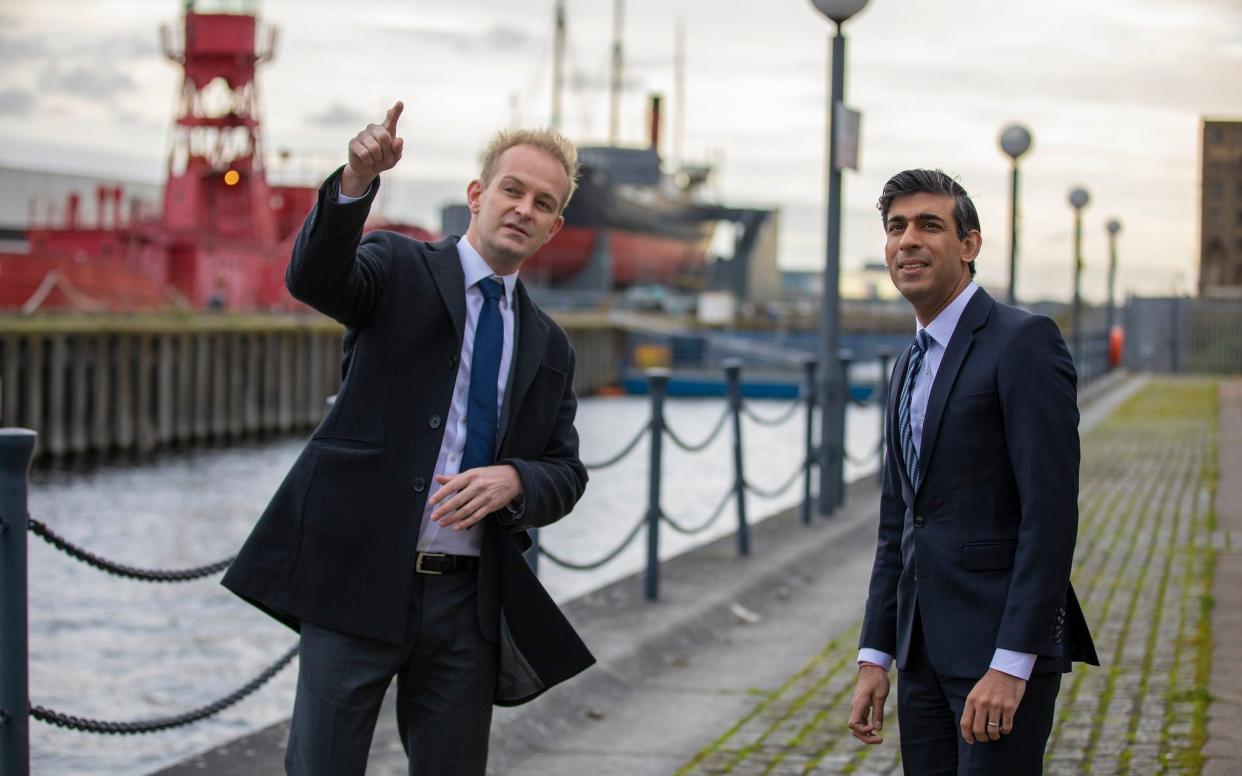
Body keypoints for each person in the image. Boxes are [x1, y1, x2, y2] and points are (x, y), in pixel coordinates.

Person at [222, 101, 594, 775]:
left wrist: (517, 479)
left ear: (553, 226)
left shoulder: (549, 345)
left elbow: (566, 471)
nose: (523, 208)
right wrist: (357, 182)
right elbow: (314, 278)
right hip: (357, 579)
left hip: (466, 601)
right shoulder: (397, 268)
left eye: (542, 202)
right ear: (478, 195)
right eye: (512, 190)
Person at [847, 169, 1099, 773]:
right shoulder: (907, 362)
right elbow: (899, 522)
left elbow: (1050, 515)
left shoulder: (1024, 343)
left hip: (997, 657)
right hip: (922, 653)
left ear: (969, 245)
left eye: (929, 225)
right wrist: (875, 655)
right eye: (896, 227)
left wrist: (1014, 662)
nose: (908, 240)